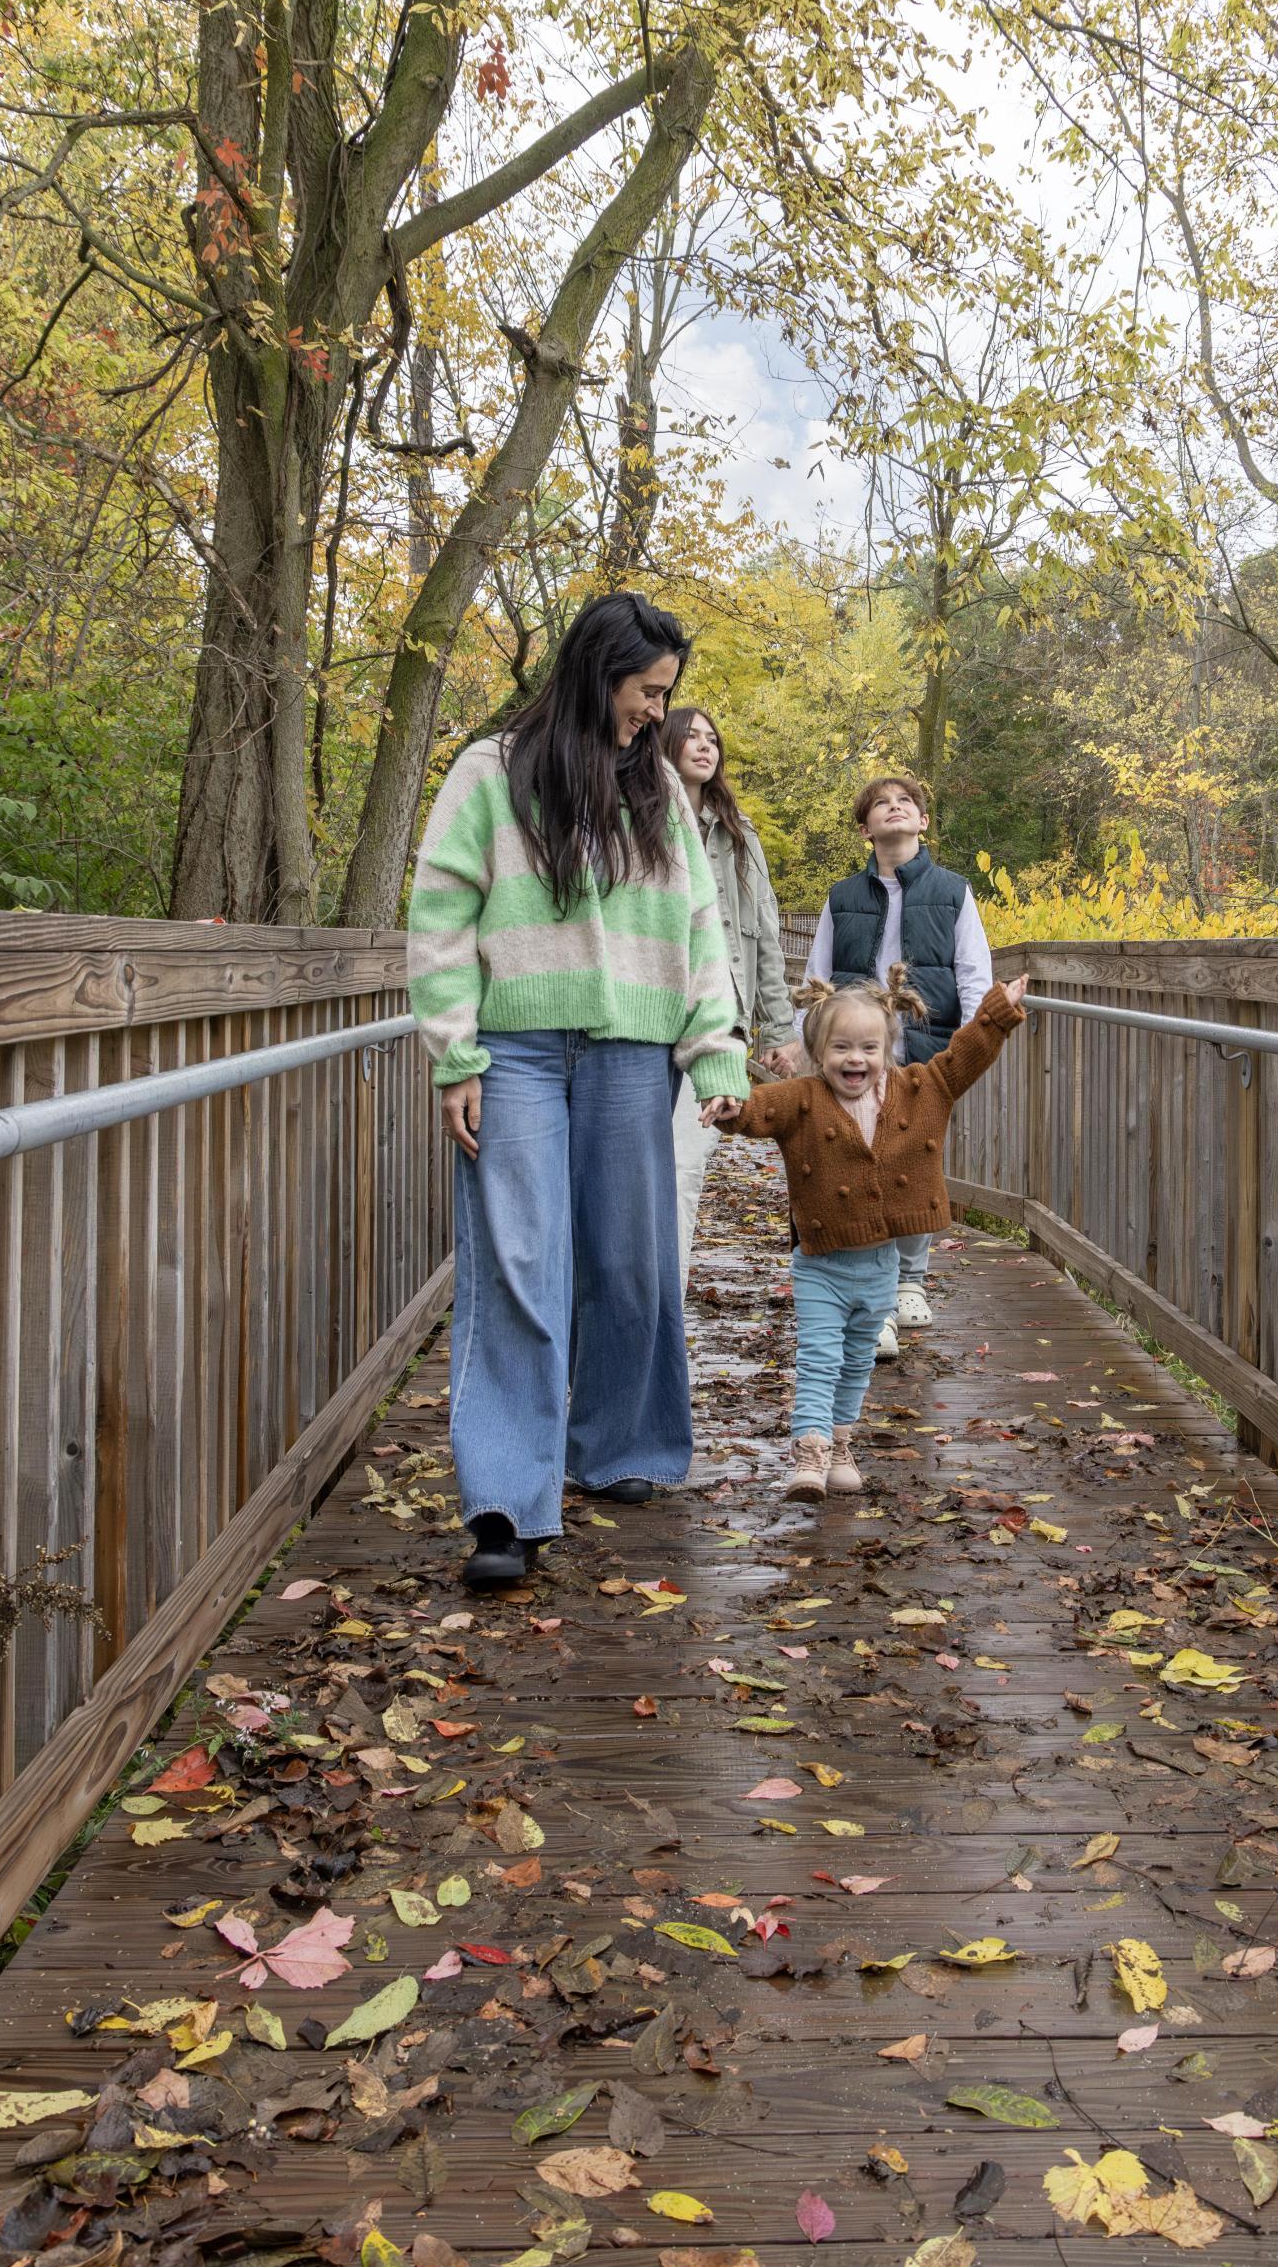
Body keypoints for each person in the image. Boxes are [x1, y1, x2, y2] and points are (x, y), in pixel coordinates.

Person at [407, 592, 749, 1590]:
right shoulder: (491, 771)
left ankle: (625, 1445)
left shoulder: (661, 795)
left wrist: (716, 1050)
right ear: (601, 673)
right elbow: (437, 915)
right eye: (647, 692)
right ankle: (508, 1503)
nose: (656, 712)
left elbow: (700, 925)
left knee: (633, 1256)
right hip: (513, 1050)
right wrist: (455, 1054)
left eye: (666, 696)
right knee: (519, 1259)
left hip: (634, 1050)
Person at [719, 964, 1027, 1499]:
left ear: (887, 1049)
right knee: (819, 1358)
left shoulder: (919, 1089)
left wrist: (996, 1013)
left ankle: (840, 1444)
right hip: (822, 1266)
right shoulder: (803, 1098)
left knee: (859, 1362)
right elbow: (756, 1111)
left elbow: (964, 1057)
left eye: (868, 1047)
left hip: (882, 1268)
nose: (854, 1059)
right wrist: (728, 1106)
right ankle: (808, 1456)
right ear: (817, 1053)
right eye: (840, 1048)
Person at [791, 775, 993, 1360]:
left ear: (923, 822)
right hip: (855, 1048)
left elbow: (974, 973)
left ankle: (909, 1280)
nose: (895, 808)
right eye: (881, 804)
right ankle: (875, 1300)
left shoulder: (954, 892)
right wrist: (805, 1044)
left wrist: (973, 1041)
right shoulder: (842, 896)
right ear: (866, 828)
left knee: (912, 1158)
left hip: (924, 1043)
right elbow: (816, 976)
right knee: (855, 1157)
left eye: (906, 802)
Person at [661, 704, 795, 1286]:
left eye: (712, 738)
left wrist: (780, 1030)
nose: (704, 745)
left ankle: (668, 1294)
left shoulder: (741, 838)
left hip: (717, 1022)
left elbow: (765, 933)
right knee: (637, 1168)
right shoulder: (639, 821)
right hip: (643, 1016)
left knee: (684, 1165)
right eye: (690, 735)